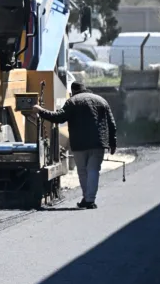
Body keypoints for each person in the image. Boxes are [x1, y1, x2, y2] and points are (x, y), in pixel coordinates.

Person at [33, 81, 117, 209]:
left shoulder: (72, 101)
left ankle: (87, 198)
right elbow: (111, 124)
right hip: (98, 143)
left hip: (79, 144)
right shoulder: (101, 100)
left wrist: (41, 111)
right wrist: (112, 143)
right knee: (94, 170)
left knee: (83, 171)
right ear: (85, 89)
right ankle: (90, 199)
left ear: (73, 92)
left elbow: (59, 117)